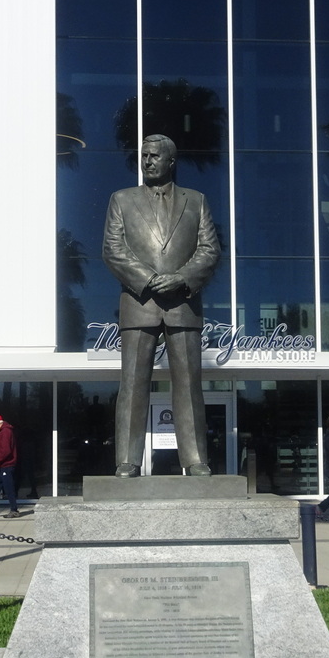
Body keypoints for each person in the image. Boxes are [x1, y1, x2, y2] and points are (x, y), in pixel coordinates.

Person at [102, 133, 221, 477]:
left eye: (155, 156)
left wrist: (183, 278)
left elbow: (209, 250)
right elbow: (113, 249)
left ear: (172, 161)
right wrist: (150, 279)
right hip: (139, 302)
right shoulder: (121, 200)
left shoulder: (196, 200)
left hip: (183, 304)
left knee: (188, 384)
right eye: (144, 155)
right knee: (133, 384)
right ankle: (127, 459)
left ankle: (196, 459)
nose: (148, 161)